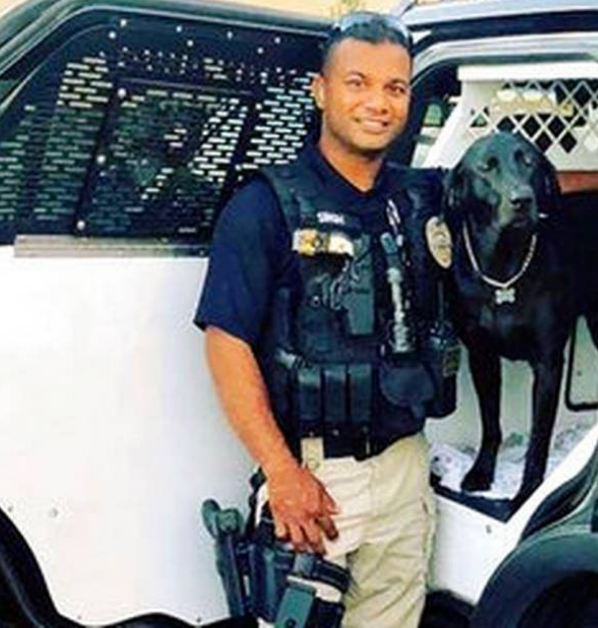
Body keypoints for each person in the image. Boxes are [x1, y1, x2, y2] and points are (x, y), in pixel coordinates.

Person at [194, 11, 454, 628]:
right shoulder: (263, 207)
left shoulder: (416, 197)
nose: (378, 103)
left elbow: (515, 186)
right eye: (357, 82)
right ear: (321, 91)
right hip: (314, 480)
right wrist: (282, 473)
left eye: (395, 88)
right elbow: (226, 343)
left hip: (405, 468)